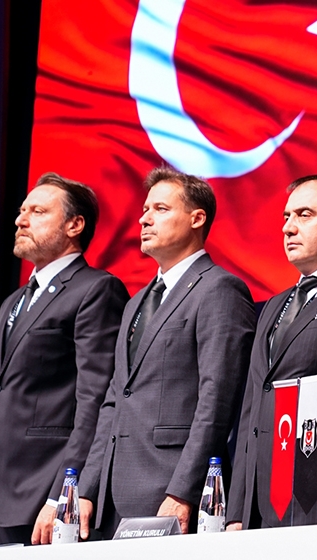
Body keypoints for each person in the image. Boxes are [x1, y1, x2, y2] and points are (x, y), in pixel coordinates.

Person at [78, 166, 255, 538]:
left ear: (197, 218)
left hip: (170, 490)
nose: (144, 219)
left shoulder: (220, 289)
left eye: (160, 209)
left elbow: (217, 400)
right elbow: (115, 400)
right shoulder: (136, 302)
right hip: (112, 496)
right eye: (145, 210)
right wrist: (87, 488)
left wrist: (183, 490)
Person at [0, 173, 129, 547]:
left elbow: (95, 401)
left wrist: (63, 495)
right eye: (22, 211)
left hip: (44, 495)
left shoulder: (95, 289)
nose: (21, 220)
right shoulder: (13, 301)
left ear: (75, 225)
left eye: (37, 212)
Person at [226, 174, 317, 529]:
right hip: (261, 502)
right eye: (286, 217)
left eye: (304, 215)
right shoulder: (273, 307)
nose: (288, 228)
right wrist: (237, 510)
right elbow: (252, 409)